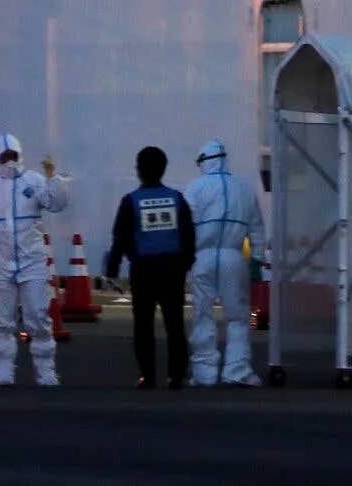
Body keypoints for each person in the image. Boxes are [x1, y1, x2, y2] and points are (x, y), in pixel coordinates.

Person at [0, 131, 68, 387]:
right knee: (2, 320)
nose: (9, 160)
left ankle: (46, 370)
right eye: (4, 156)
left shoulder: (35, 181)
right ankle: (3, 371)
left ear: (20, 154)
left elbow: (56, 204)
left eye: (12, 155)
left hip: (33, 260)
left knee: (38, 316)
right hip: (1, 262)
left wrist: (53, 178)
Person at [104, 146, 196, 390]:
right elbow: (189, 235)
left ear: (140, 170)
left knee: (143, 324)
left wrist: (112, 269)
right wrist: (184, 264)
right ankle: (176, 375)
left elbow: (120, 238)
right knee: (174, 322)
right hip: (172, 270)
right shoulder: (177, 199)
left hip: (143, 269)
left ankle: (148, 375)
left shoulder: (131, 201)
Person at [183, 138, 267, 387]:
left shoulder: (194, 189)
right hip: (234, 257)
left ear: (203, 162)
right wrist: (258, 259)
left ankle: (204, 374)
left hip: (201, 258)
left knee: (202, 315)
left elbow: (184, 227)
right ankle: (237, 370)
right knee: (238, 317)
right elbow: (257, 229)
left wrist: (183, 259)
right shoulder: (243, 189)